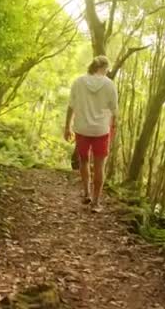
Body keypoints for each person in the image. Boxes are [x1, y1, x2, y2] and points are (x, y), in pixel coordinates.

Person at [64, 55, 118, 212]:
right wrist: (113, 126)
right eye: (107, 69)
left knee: (84, 160)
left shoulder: (78, 81)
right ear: (104, 68)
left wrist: (67, 126)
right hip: (101, 129)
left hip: (82, 128)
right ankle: (96, 202)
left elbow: (71, 106)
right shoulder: (109, 85)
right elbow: (114, 110)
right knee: (100, 165)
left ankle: (87, 193)